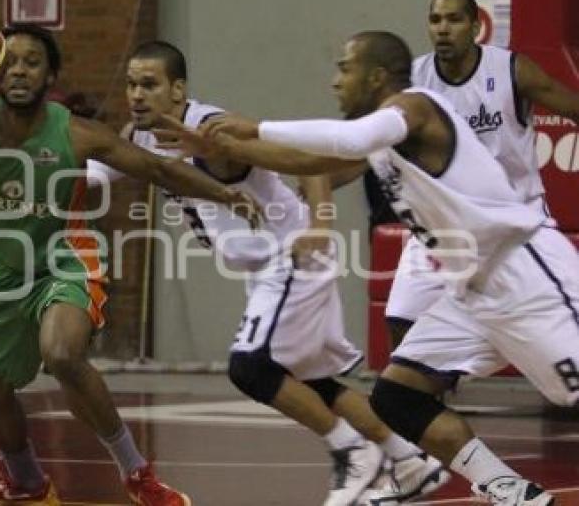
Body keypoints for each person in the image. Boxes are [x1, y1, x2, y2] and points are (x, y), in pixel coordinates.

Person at [155, 30, 578, 506]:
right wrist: (224, 149)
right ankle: (514, 493)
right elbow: (308, 160)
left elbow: (347, 137)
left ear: (376, 75)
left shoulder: (417, 107)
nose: (336, 80)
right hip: (472, 293)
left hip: (525, 270)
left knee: (572, 394)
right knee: (397, 397)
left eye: (344, 67)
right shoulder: (381, 141)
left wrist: (253, 127)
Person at [0, 24, 262, 506]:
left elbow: (159, 168)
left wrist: (225, 193)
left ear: (50, 77)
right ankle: (28, 484)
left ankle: (139, 476)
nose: (19, 70)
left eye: (32, 62)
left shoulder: (76, 133)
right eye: (11, 60)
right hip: (10, 273)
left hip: (69, 257)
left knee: (61, 353)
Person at [86, 40, 450, 506]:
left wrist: (320, 223)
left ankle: (352, 452)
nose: (137, 95)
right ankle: (409, 460)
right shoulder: (139, 136)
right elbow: (96, 174)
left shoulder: (211, 129)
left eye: (150, 85)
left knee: (251, 369)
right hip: (269, 267)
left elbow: (305, 159)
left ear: (178, 90)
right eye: (132, 85)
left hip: (292, 256)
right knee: (313, 382)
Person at [382, 0, 579, 348]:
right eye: (435, 20)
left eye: (454, 19)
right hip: (442, 222)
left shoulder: (510, 69)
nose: (443, 28)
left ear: (475, 27)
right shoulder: (413, 80)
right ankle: (418, 398)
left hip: (511, 218)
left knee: (550, 328)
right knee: (400, 320)